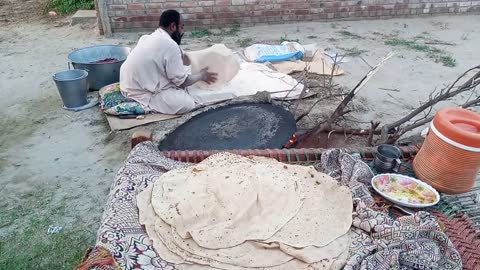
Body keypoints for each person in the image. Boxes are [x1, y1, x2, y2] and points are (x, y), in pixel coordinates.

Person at [119, 10, 217, 115]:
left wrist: (200, 58)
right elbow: (182, 82)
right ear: (173, 26)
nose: (182, 31)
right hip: (138, 92)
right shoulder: (170, 45)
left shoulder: (148, 37)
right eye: (182, 27)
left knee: (182, 72)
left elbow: (182, 57)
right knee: (187, 103)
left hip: (126, 83)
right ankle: (150, 103)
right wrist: (202, 75)